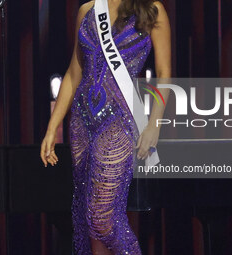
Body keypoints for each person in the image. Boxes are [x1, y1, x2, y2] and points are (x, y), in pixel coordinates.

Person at [40, 0, 171, 253]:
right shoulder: (87, 11)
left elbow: (164, 72)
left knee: (102, 219)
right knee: (87, 219)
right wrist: (51, 127)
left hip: (119, 119)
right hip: (82, 120)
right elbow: (73, 73)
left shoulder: (151, 8)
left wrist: (154, 125)